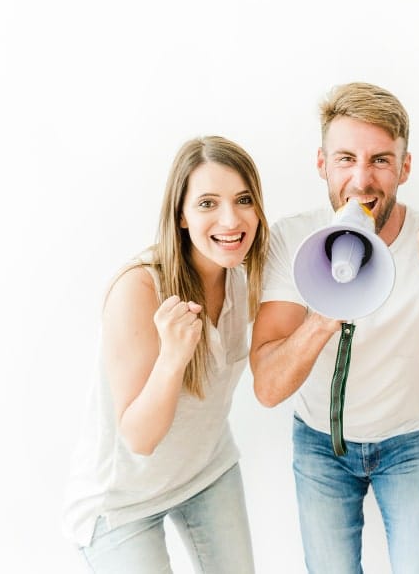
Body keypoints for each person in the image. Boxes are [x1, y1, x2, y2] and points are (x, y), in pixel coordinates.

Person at [249, 81, 419, 573]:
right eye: (346, 158)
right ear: (322, 164)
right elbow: (267, 388)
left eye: (380, 160)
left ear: (404, 168)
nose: (361, 180)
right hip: (320, 445)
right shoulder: (292, 240)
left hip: (412, 443)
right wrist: (327, 309)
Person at [62, 136, 269, 573]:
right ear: (181, 214)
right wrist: (173, 358)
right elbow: (139, 438)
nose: (230, 220)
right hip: (121, 502)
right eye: (208, 203)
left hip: (207, 470)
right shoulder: (139, 288)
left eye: (243, 199)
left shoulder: (246, 273)